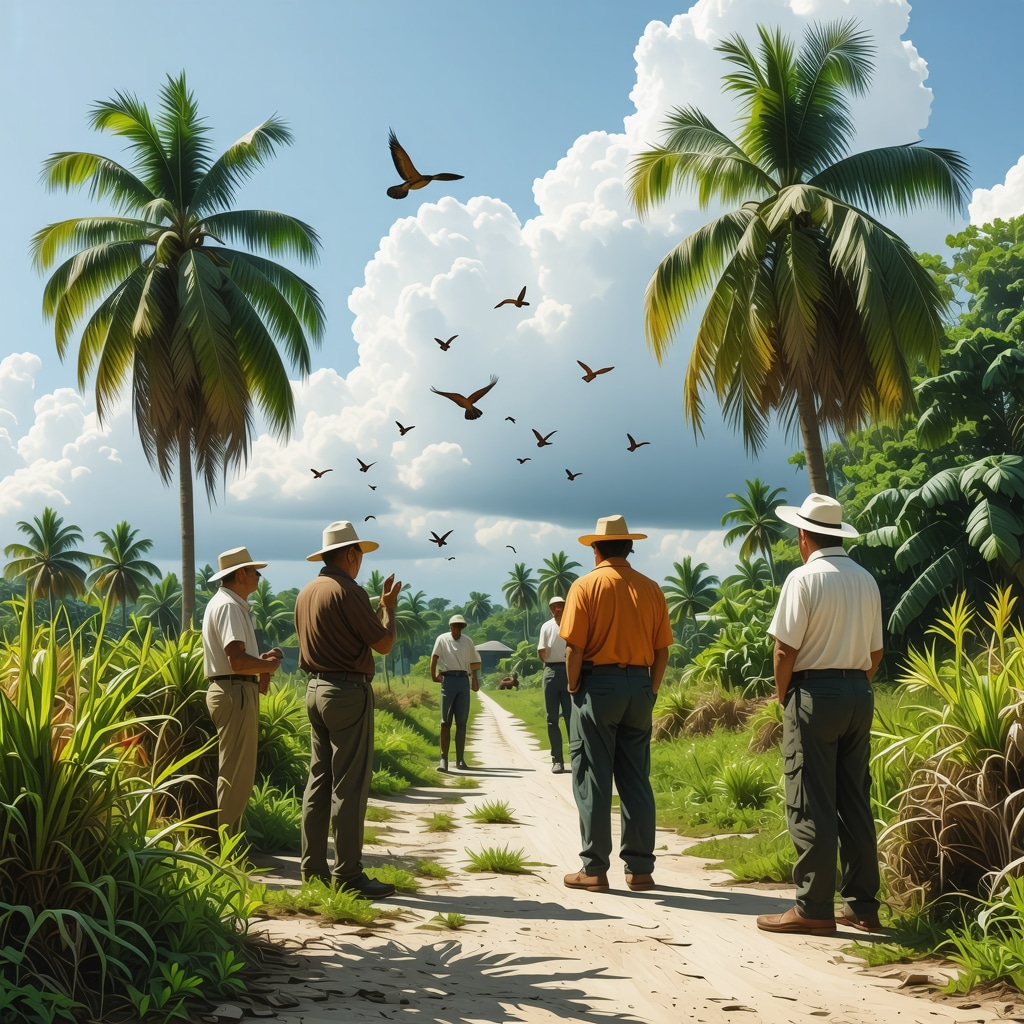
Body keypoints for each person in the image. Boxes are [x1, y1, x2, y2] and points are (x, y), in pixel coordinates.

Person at [755, 494, 884, 936]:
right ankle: (863, 906)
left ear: (804, 535)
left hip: (814, 692)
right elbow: (876, 651)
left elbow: (784, 648)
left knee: (810, 800)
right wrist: (855, 684)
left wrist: (782, 694)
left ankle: (813, 908)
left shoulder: (803, 579)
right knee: (853, 798)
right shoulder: (865, 579)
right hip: (858, 690)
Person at [559, 515, 673, 893]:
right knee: (636, 778)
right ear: (629, 548)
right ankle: (640, 869)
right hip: (639, 685)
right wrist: (650, 690)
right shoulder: (652, 588)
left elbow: (574, 647)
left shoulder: (585, 586)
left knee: (593, 775)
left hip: (597, 685)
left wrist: (574, 686)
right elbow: (661, 651)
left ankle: (594, 869)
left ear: (595, 550)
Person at [294, 521, 402, 899]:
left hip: (314, 689)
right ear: (352, 554)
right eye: (360, 556)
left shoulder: (308, 591)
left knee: (318, 781)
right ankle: (349, 874)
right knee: (349, 785)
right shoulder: (349, 590)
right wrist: (388, 609)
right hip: (346, 691)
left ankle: (312, 868)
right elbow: (384, 644)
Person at [203, 546, 283, 837]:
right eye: (254, 571)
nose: (259, 576)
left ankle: (229, 842)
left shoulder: (229, 605)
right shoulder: (229, 607)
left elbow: (235, 658)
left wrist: (261, 662)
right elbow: (236, 661)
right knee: (236, 775)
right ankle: (227, 847)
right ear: (240, 574)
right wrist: (269, 666)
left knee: (237, 772)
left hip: (233, 689)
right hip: (234, 691)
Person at [430, 614, 481, 772]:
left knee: (461, 722)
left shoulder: (468, 641)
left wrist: (474, 679)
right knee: (445, 722)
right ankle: (443, 758)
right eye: (454, 626)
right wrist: (433, 675)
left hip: (462, 680)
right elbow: (434, 657)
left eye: (460, 626)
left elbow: (474, 662)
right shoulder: (442, 639)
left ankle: (460, 759)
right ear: (450, 626)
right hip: (448, 679)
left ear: (462, 628)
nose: (457, 629)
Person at [538, 595, 570, 773]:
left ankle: (576, 757)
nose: (557, 609)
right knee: (552, 719)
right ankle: (557, 759)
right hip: (551, 671)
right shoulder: (546, 626)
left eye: (560, 605)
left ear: (565, 606)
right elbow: (541, 650)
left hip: (569, 671)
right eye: (554, 606)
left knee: (571, 716)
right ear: (550, 609)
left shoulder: (572, 623)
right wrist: (549, 661)